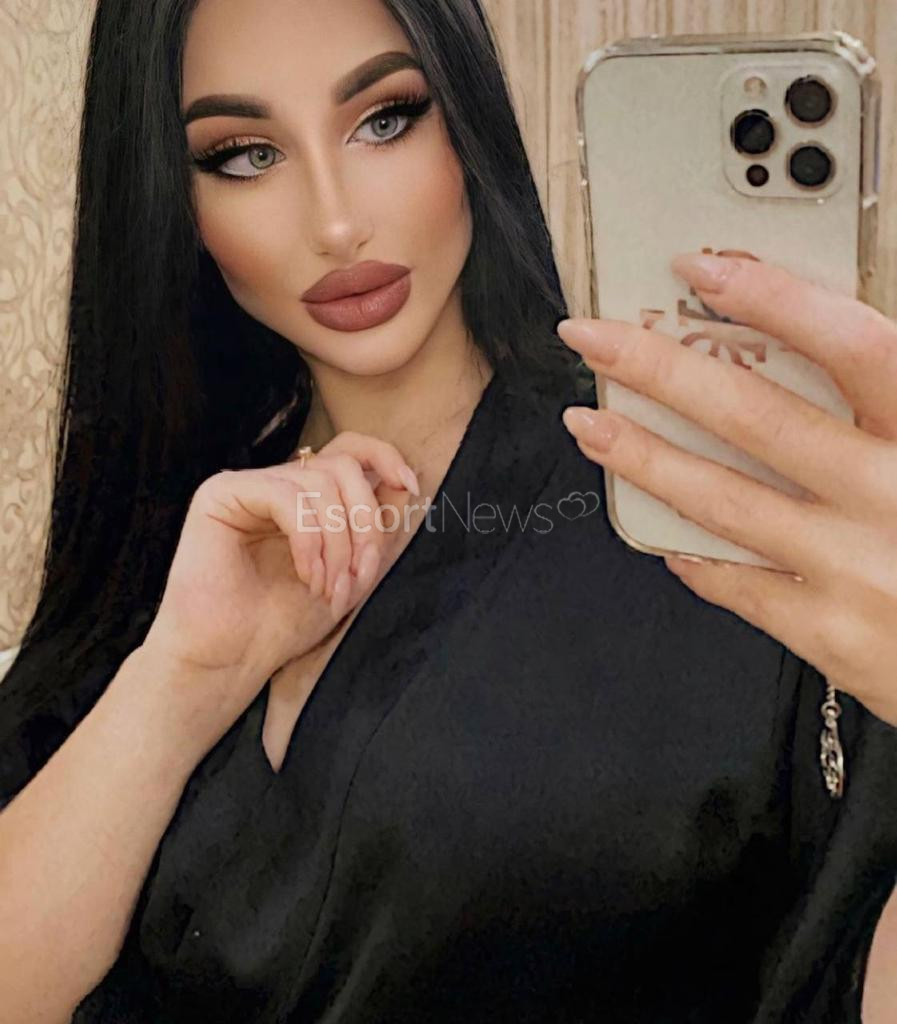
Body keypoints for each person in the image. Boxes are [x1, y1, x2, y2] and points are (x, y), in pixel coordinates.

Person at [0, 0, 895, 1020]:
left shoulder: (702, 513)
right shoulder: (167, 532)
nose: (336, 223)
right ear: (173, 195)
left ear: (464, 119)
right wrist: (181, 680)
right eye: (246, 155)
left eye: (385, 119)